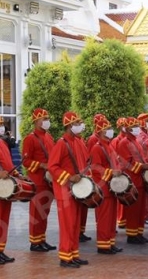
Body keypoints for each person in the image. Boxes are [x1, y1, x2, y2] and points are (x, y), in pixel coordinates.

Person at [48, 111, 90, 268]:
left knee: (75, 224)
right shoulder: (61, 143)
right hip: (65, 191)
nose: (80, 125)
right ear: (69, 125)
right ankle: (65, 257)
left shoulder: (77, 142)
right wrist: (70, 177)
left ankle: (74, 254)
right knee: (67, 224)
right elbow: (53, 167)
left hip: (76, 190)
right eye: (77, 123)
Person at [22, 108, 56, 252]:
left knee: (45, 211)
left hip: (48, 180)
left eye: (47, 118)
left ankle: (42, 239)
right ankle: (35, 242)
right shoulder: (30, 138)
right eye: (44, 119)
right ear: (36, 121)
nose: (47, 121)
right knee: (36, 212)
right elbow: (26, 161)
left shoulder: (49, 136)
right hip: (37, 180)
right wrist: (41, 165)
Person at [117, 117, 148, 244]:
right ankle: (132, 234)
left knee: (141, 209)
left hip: (140, 179)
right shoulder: (124, 143)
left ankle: (139, 232)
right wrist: (143, 166)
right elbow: (126, 163)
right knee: (133, 209)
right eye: (135, 126)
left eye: (138, 126)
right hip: (132, 180)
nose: (138, 128)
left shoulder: (136, 141)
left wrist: (147, 164)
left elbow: (142, 157)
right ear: (127, 129)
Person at [90, 118, 123, 254]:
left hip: (112, 186)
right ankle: (103, 245)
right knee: (104, 217)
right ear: (101, 131)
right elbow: (95, 167)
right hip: (103, 187)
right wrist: (111, 172)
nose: (110, 130)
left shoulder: (108, 145)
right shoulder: (97, 147)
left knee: (111, 217)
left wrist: (119, 169)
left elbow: (115, 162)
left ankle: (110, 242)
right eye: (107, 128)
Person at [80, 113, 107, 243]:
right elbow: (91, 160)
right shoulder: (92, 140)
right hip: (89, 174)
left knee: (83, 208)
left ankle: (81, 231)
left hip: (86, 174)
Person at [0, 135, 21, 264]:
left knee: (3, 220)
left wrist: (18, 176)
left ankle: (0, 250)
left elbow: (7, 164)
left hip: (4, 186)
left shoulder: (2, 142)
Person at [111, 117, 127, 229]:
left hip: (127, 170)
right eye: (124, 125)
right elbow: (113, 157)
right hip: (120, 171)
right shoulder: (116, 141)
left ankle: (125, 219)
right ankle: (121, 219)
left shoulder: (128, 139)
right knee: (120, 196)